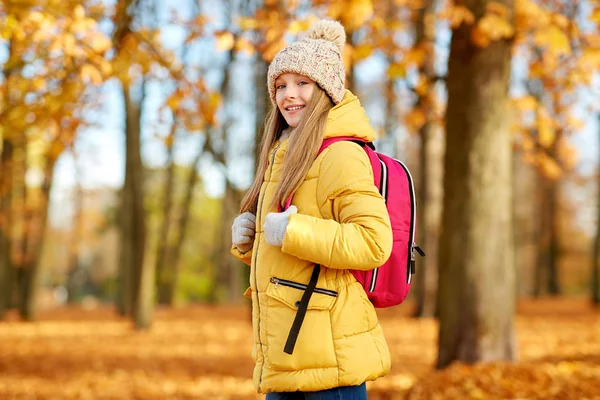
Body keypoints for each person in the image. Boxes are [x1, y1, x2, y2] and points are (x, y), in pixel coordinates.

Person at [230, 19, 393, 399]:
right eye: (281, 85)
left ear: (325, 90)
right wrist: (250, 241)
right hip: (286, 357)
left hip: (330, 363)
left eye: (302, 83)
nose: (290, 95)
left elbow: (373, 243)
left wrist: (292, 231)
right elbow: (294, 256)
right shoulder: (281, 155)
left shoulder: (340, 154)